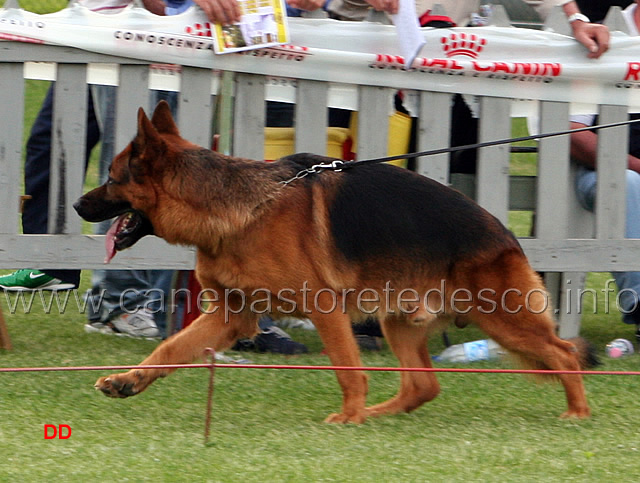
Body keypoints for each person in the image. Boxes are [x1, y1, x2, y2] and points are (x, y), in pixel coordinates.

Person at [569, 1, 640, 342]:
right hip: (602, 174)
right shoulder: (598, 38)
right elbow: (574, 134)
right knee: (627, 183)